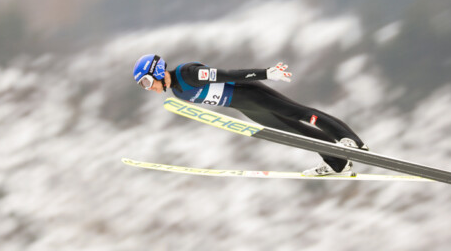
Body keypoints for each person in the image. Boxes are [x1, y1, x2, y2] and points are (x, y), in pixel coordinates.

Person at [132, 54, 368, 176]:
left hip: (251, 94)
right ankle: (337, 162)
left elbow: (227, 74)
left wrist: (265, 73)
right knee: (298, 133)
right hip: (247, 108)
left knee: (301, 114)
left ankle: (351, 141)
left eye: (146, 81)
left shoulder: (187, 74)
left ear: (158, 71)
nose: (147, 87)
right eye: (142, 86)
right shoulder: (177, 92)